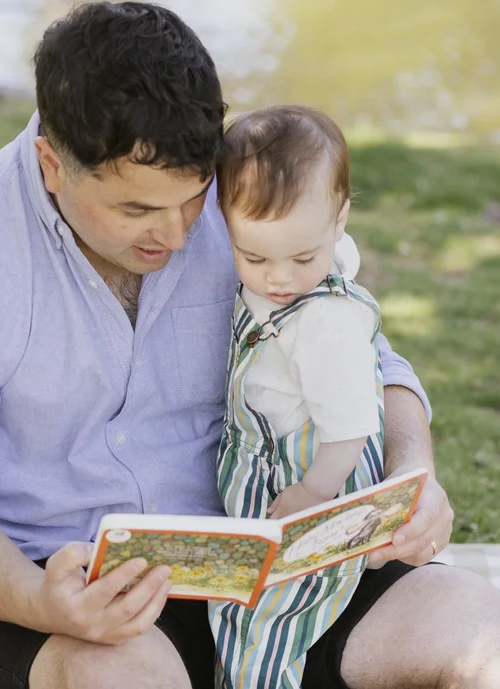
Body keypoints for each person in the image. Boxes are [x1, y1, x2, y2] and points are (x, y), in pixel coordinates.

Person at [0, 0, 500, 689]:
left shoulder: (241, 196)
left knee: (478, 625)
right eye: (136, 208)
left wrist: (415, 474)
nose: (177, 233)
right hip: (53, 590)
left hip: (271, 578)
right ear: (51, 163)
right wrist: (39, 596)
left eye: (193, 197)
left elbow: (373, 360)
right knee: (121, 678)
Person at [209, 105, 391, 689]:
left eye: (302, 258)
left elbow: (352, 426)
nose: (279, 279)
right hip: (286, 463)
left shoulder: (324, 325)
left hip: (312, 474)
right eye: (254, 258)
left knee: (268, 622)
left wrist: (313, 491)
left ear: (339, 220)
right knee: (236, 608)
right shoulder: (305, 259)